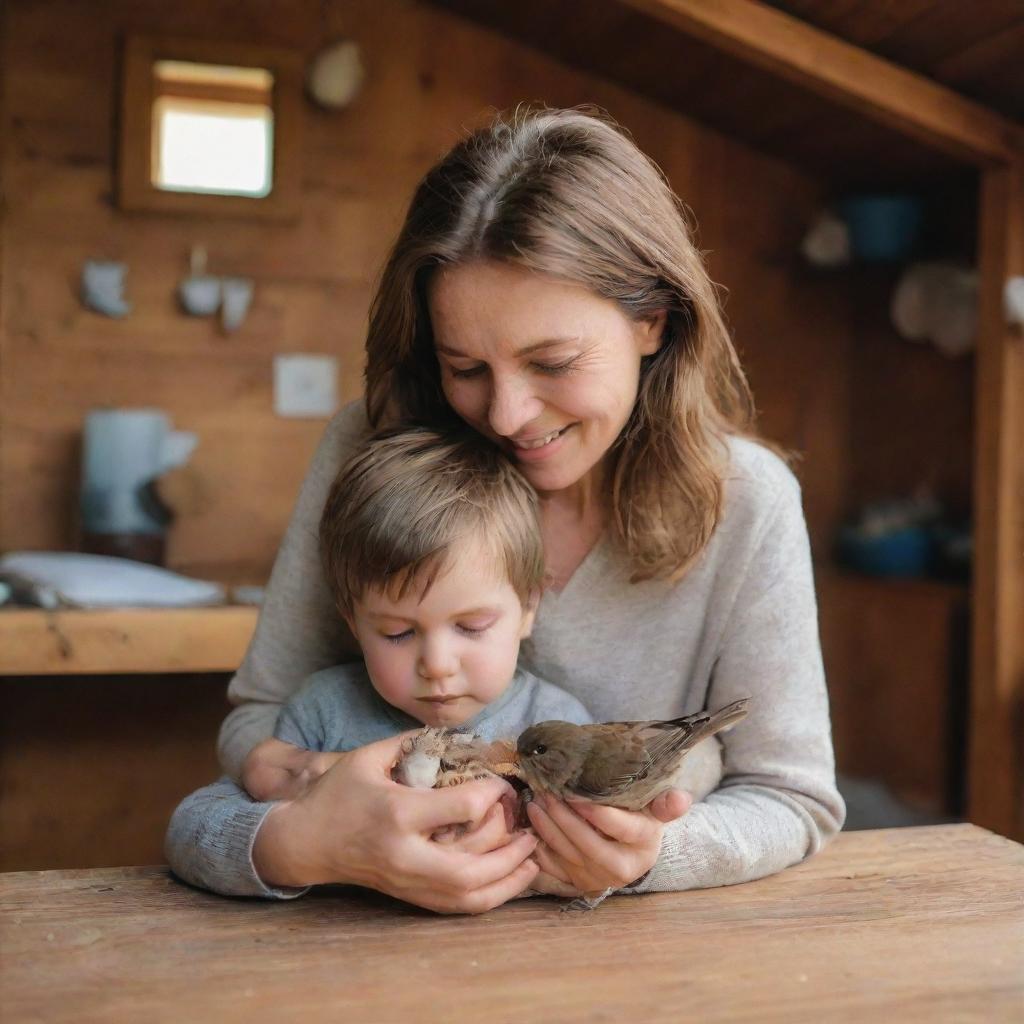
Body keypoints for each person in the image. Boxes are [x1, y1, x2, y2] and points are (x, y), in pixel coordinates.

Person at [215, 105, 845, 914]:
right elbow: (258, 725)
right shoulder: (366, 452)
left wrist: (649, 856)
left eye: (552, 362)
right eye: (464, 367)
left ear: (653, 320)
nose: (507, 414)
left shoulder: (749, 502)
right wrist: (320, 823)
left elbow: (794, 798)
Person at [165, 425, 596, 899]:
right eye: (397, 633)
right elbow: (191, 833)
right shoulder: (322, 714)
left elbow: (605, 855)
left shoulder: (560, 726)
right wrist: (297, 841)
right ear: (353, 622)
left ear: (528, 608)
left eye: (471, 627)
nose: (436, 664)